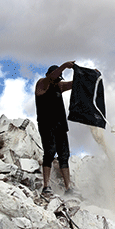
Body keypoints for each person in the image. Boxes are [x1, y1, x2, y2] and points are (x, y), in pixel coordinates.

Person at [35, 61, 75, 197]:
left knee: (64, 155)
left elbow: (73, 83)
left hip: (60, 125)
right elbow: (52, 77)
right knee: (49, 152)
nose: (58, 79)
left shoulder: (59, 85)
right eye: (57, 76)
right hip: (46, 124)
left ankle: (68, 187)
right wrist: (65, 66)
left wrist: (90, 74)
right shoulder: (42, 83)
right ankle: (46, 186)